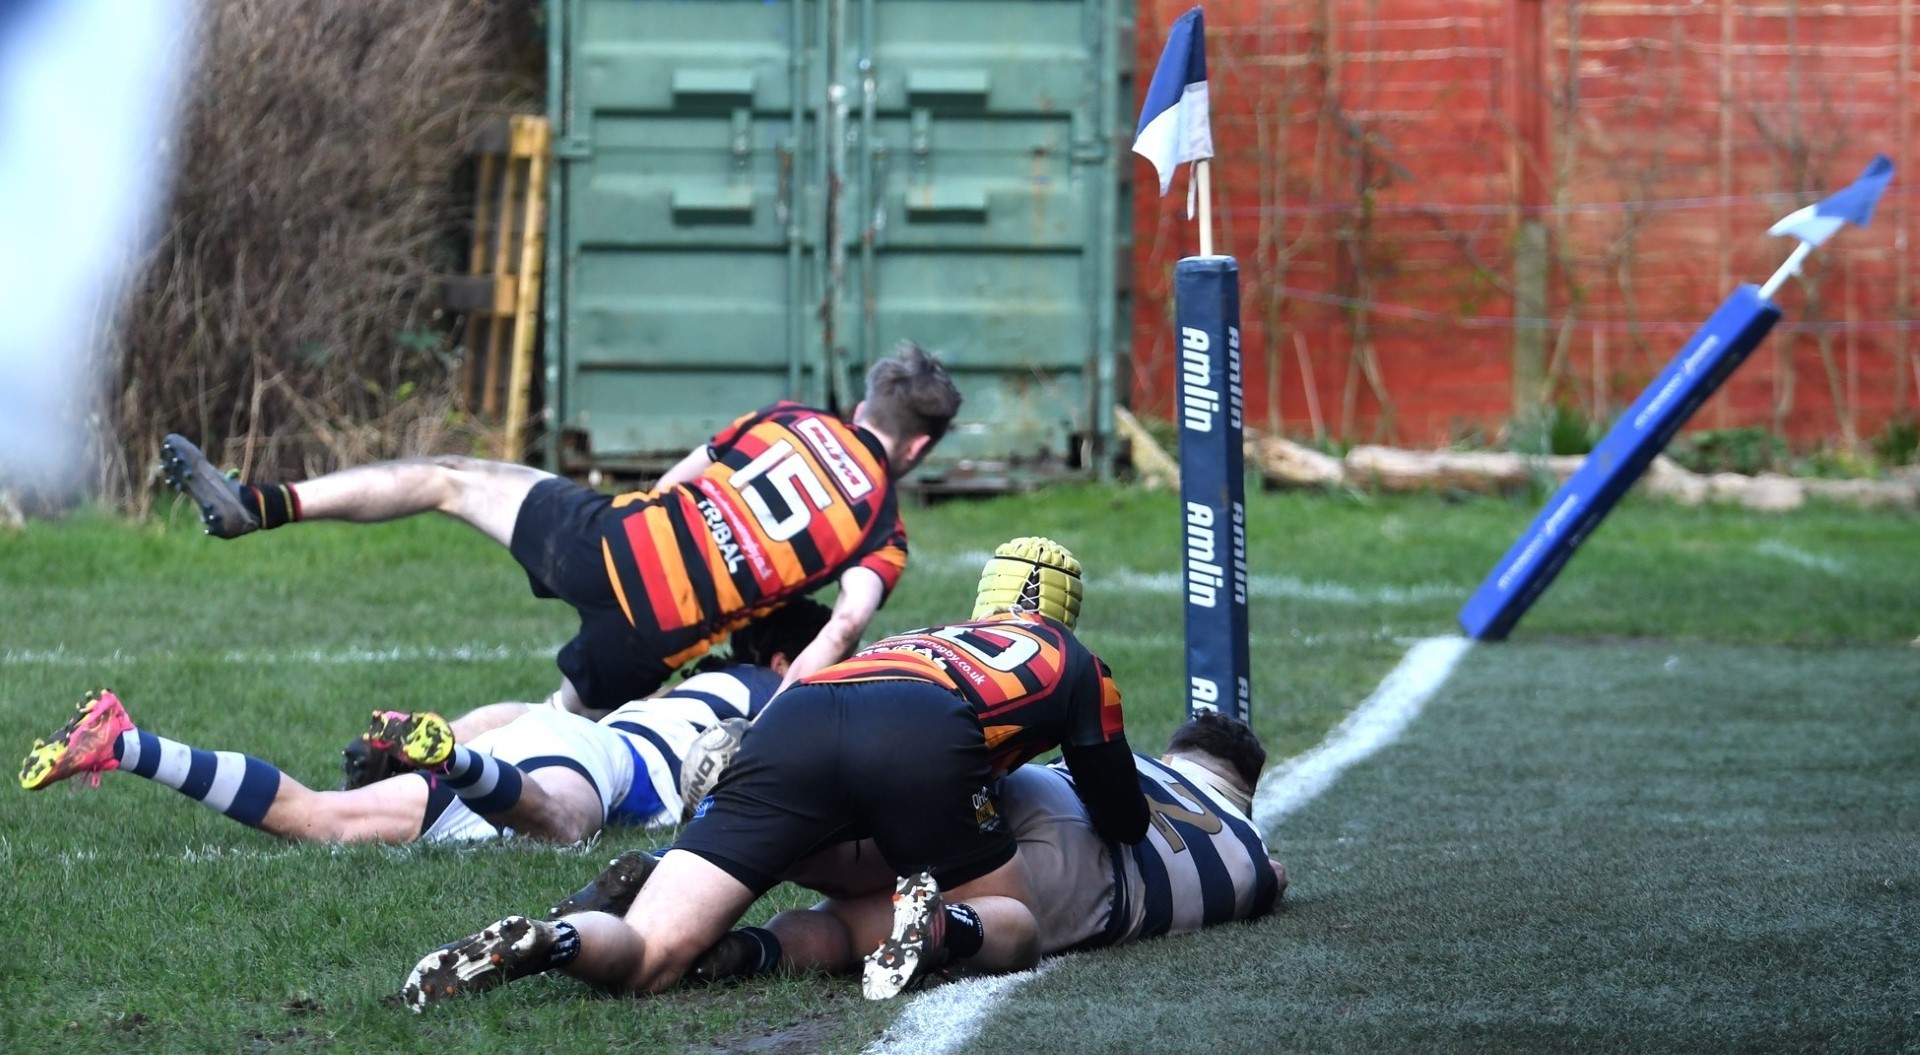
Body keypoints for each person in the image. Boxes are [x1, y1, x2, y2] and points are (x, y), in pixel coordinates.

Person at [397, 537, 1151, 1009]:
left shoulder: (928, 633)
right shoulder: (1080, 664)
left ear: (985, 600)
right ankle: (942, 924)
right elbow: (1121, 813)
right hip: (924, 730)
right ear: (1067, 614)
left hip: (799, 714)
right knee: (1018, 925)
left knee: (652, 957)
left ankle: (553, 939)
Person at [159, 342, 963, 755]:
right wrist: (776, 718)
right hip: (654, 636)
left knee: (447, 478)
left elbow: (679, 477)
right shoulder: (883, 529)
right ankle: (419, 753)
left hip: (611, 542)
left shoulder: (789, 418)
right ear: (919, 447)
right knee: (557, 721)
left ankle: (261, 504)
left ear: (865, 404)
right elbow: (843, 626)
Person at [17, 600, 831, 845]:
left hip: (538, 743)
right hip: (600, 767)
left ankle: (123, 742)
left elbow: (537, 714)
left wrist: (474, 731)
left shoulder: (693, 688)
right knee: (566, 825)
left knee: (323, 819)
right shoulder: (772, 691)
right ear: (790, 657)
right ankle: (455, 761)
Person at [676, 711, 1287, 987]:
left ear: (1178, 755)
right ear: (1244, 791)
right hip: (1103, 875)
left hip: (1036, 788)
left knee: (866, 850)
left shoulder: (1153, 766)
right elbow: (1275, 877)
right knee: (849, 929)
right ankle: (756, 951)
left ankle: (738, 840)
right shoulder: (1251, 849)